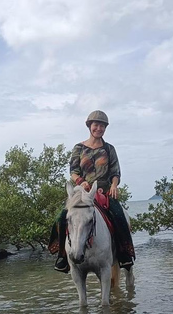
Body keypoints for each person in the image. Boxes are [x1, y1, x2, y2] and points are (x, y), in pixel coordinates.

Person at [50, 110, 135, 272]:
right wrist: (81, 182)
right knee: (61, 217)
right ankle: (62, 256)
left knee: (119, 215)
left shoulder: (109, 149)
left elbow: (115, 172)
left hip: (103, 192)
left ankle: (125, 255)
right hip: (82, 192)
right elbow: (73, 171)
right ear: (90, 126)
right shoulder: (79, 148)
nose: (99, 128)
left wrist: (114, 185)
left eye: (102, 126)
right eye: (96, 125)